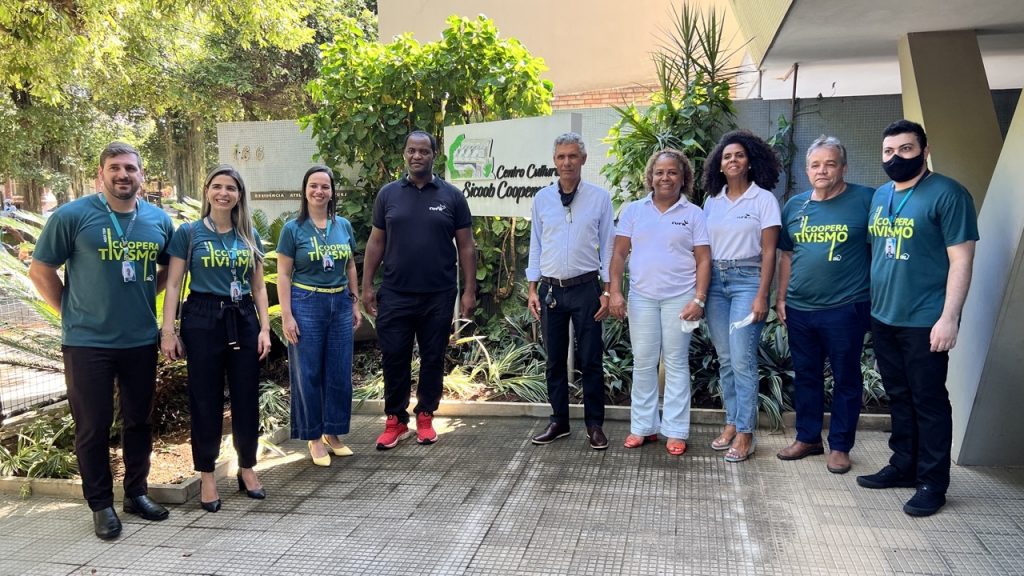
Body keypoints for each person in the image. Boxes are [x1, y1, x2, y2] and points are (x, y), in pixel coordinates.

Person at [28, 142, 174, 539]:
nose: (123, 175)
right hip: (87, 343)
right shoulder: (72, 216)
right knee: (92, 425)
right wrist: (70, 313)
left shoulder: (159, 221)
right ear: (101, 173)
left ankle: (136, 494)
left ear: (142, 175)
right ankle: (101, 504)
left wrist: (148, 298)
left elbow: (168, 272)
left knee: (139, 421)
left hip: (140, 340)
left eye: (130, 168)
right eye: (115, 168)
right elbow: (40, 270)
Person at [857, 120, 978, 517]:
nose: (896, 158)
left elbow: (961, 260)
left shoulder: (948, 194)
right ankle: (903, 465)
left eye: (906, 150)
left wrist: (950, 317)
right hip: (884, 315)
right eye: (889, 151)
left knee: (928, 400)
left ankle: (932, 482)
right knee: (899, 396)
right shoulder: (880, 196)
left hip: (925, 318)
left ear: (924, 151)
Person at [160, 165, 270, 511]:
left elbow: (257, 286)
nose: (224, 193)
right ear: (207, 191)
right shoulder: (190, 233)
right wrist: (168, 331)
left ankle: (247, 468)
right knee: (205, 399)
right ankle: (207, 475)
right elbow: (175, 284)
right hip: (203, 318)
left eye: (231, 188)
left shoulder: (248, 234)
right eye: (218, 187)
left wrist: (265, 327)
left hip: (242, 316)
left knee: (246, 397)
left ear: (240, 195)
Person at [362, 131, 477, 450]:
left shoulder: (451, 196)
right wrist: (367, 285)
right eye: (412, 150)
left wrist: (469, 289)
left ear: (434, 155)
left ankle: (425, 414)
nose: (417, 156)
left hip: (438, 295)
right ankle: (396, 420)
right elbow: (376, 242)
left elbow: (466, 246)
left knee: (432, 357)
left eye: (424, 151)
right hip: (396, 293)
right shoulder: (388, 195)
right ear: (404, 154)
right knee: (394, 357)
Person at [775, 136, 873, 474]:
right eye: (815, 165)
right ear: (807, 170)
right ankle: (808, 437)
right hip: (800, 308)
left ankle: (841, 446)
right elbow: (786, 255)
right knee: (806, 375)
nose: (822, 170)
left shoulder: (866, 200)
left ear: (843, 167)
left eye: (830, 164)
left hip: (846, 306)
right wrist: (781, 297)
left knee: (846, 377)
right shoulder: (795, 206)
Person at [609, 148, 710, 455]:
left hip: (680, 298)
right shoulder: (633, 211)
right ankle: (643, 427)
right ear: (650, 178)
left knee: (677, 364)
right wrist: (614, 290)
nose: (665, 177)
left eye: (672, 172)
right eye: (659, 172)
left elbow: (704, 260)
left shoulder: (694, 214)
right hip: (642, 298)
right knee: (643, 363)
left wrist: (699, 299)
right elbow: (618, 254)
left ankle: (676, 431)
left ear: (683, 178)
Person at [526, 132, 615, 449]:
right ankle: (559, 421)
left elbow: (608, 246)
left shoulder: (599, 198)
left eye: (573, 156)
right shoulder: (542, 199)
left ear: (583, 160)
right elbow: (536, 244)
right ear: (554, 161)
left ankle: (594, 425)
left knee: (591, 359)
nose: (567, 162)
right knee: (553, 361)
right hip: (551, 290)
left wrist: (607, 291)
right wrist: (532, 287)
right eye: (561, 156)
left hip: (586, 289)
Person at [700, 129, 782, 463]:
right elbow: (702, 251)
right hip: (716, 284)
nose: (733, 160)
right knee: (726, 359)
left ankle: (747, 433)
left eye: (739, 155)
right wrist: (701, 292)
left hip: (748, 281)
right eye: (727, 156)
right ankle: (732, 422)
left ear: (750, 161)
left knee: (743, 360)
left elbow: (770, 251)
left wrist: (763, 295)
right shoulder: (711, 202)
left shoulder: (763, 199)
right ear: (719, 165)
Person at [277, 166, 362, 466]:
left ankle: (333, 432)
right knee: (309, 372)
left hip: (338, 304)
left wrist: (354, 302)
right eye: (314, 186)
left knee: (339, 371)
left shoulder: (343, 226)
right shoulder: (293, 229)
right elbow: (284, 274)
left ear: (332, 192)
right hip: (306, 302)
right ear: (305, 190)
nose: (319, 191)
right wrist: (287, 315)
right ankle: (313, 437)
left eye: (325, 187)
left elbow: (350, 265)